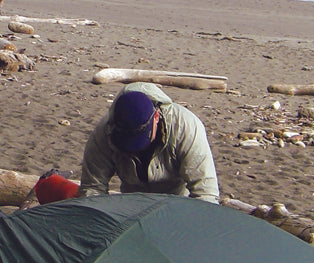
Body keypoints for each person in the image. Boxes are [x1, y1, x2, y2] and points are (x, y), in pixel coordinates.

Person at [79, 82, 219, 202]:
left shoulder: (186, 127)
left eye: (140, 137)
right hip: (130, 203)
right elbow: (92, 188)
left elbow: (205, 193)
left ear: (156, 117)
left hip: (176, 202)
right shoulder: (105, 131)